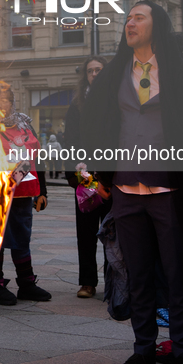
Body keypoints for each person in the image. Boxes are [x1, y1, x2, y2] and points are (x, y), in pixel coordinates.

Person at [82, 0, 183, 364]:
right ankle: (143, 349)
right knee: (138, 274)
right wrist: (98, 173)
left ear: (156, 25)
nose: (130, 22)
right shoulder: (114, 75)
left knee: (179, 275)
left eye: (138, 17)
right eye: (127, 18)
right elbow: (93, 124)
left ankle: (182, 351)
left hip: (172, 189)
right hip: (126, 189)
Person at [0, 82, 51, 306]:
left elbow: (38, 157)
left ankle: (26, 283)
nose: (2, 103)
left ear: (12, 102)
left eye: (6, 99)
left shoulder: (24, 123)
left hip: (24, 192)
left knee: (22, 238)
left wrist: (42, 191)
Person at [64, 55, 109, 298]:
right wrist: (79, 173)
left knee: (113, 233)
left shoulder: (117, 102)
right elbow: (69, 142)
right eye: (91, 71)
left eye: (99, 70)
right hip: (86, 178)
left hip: (111, 178)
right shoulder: (77, 106)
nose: (94, 74)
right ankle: (87, 282)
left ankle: (115, 282)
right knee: (87, 233)